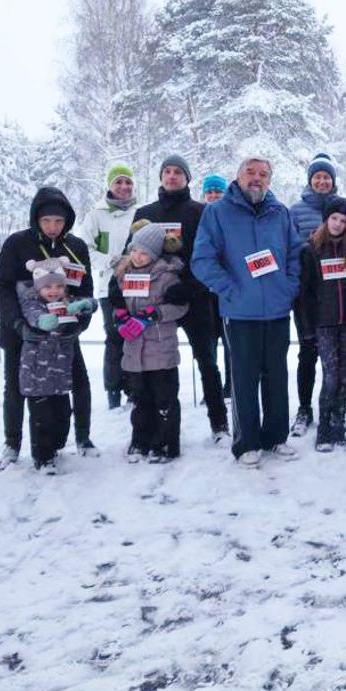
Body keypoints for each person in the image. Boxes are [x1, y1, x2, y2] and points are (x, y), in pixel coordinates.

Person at [192, 156, 302, 468]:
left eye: (263, 174)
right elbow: (202, 260)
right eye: (250, 172)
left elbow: (295, 252)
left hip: (278, 310)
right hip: (240, 314)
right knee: (243, 379)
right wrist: (230, 290)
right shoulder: (217, 212)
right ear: (238, 177)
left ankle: (276, 437)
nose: (257, 178)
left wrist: (289, 286)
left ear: (270, 179)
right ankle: (246, 443)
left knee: (277, 377)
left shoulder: (279, 212)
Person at [0, 186, 97, 470]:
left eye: (59, 221)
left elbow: (85, 289)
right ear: (36, 219)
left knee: (79, 382)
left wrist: (79, 322)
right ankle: (12, 443)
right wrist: (18, 322)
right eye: (47, 220)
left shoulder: (74, 247)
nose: (53, 227)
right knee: (15, 387)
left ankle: (83, 438)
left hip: (63, 332)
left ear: (68, 221)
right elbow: (0, 286)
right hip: (21, 333)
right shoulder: (17, 244)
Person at [134, 155, 229, 439]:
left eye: (178, 172)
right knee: (154, 363)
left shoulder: (200, 212)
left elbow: (212, 253)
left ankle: (219, 422)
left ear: (187, 179)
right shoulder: (144, 213)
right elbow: (132, 256)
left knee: (207, 360)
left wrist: (190, 286)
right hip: (153, 301)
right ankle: (153, 424)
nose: (172, 176)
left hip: (193, 297)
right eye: (167, 171)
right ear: (161, 176)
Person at [289, 152, 346, 437]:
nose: (321, 181)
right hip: (316, 302)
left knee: (343, 369)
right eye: (317, 176)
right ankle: (307, 409)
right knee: (310, 357)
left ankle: (338, 410)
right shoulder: (297, 210)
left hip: (344, 310)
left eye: (326, 177)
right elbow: (290, 245)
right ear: (310, 180)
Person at [110, 222, 189, 463]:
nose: (137, 256)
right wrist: (120, 317)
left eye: (144, 253)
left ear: (155, 254)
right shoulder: (124, 275)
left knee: (164, 400)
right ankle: (140, 439)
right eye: (134, 250)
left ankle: (165, 443)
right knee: (140, 400)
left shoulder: (166, 276)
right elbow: (118, 304)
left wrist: (155, 313)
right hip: (134, 351)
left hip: (160, 348)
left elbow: (181, 306)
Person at [16, 257, 94, 472]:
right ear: (39, 287)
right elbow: (32, 315)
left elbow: (90, 304)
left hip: (60, 371)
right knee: (42, 417)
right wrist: (41, 321)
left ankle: (56, 445)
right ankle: (43, 457)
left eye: (59, 286)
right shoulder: (31, 301)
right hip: (36, 371)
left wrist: (86, 305)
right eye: (48, 286)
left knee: (62, 413)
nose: (54, 291)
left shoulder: (67, 301)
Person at [77, 163, 139, 410]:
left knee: (136, 337)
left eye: (128, 182)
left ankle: (136, 391)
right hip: (108, 287)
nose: (124, 187)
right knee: (114, 338)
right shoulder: (96, 214)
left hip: (137, 286)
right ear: (110, 185)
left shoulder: (141, 212)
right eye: (118, 182)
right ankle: (113, 391)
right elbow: (85, 250)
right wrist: (113, 263)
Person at [202, 173, 232, 397]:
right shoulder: (199, 215)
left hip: (228, 288)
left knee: (230, 340)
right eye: (210, 192)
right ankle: (212, 387)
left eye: (217, 192)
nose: (213, 196)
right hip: (204, 291)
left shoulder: (231, 215)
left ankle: (231, 384)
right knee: (208, 342)